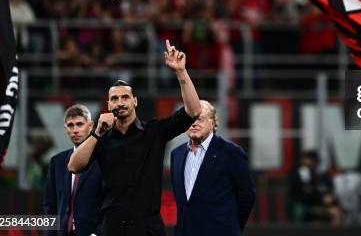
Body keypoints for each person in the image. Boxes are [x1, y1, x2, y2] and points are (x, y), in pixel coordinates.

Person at [68, 40, 202, 236]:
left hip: (147, 227)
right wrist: (96, 132)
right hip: (113, 227)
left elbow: (194, 111)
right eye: (114, 99)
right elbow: (73, 166)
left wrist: (181, 72)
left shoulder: (154, 131)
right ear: (108, 104)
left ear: (135, 101)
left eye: (125, 97)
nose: (120, 103)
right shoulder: (101, 138)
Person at [170, 100, 255, 235]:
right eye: (190, 119)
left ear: (213, 122)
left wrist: (231, 227)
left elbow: (247, 196)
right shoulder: (177, 154)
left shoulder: (231, 152)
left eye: (200, 119)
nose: (194, 123)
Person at [44, 104, 103, 236]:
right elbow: (50, 204)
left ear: (91, 125)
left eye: (79, 124)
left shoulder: (103, 160)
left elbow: (110, 203)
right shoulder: (56, 162)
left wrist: (97, 234)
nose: (75, 130)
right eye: (71, 125)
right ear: (66, 129)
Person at [289, 150, 343, 224]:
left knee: (336, 211)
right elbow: (301, 192)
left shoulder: (321, 174)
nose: (306, 161)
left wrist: (328, 196)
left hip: (322, 203)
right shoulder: (300, 174)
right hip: (305, 204)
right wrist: (321, 197)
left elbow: (328, 189)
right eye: (307, 159)